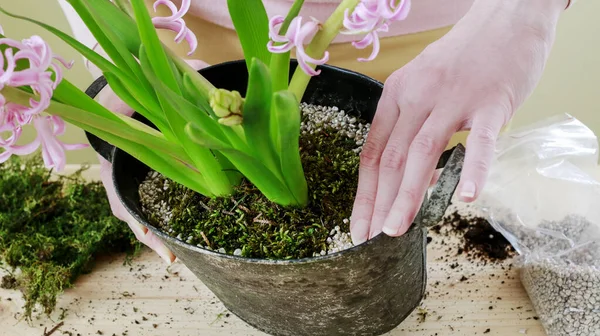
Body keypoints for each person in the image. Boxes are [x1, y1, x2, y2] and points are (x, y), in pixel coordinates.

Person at [59, 0, 575, 263]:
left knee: (427, 176)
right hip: (190, 43)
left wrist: (523, 15)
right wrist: (125, 69)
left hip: (448, 43)